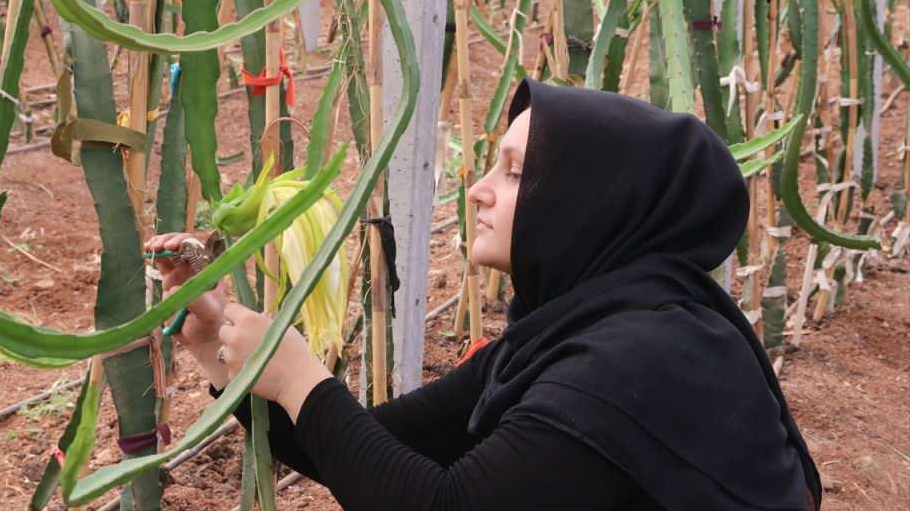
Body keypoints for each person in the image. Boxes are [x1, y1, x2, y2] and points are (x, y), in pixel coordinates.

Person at [145, 78, 821, 510]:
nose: (479, 189)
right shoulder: (563, 331)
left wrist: (298, 376)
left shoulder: (636, 362)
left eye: (517, 172)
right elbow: (363, 453)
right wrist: (222, 348)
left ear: (588, 203)